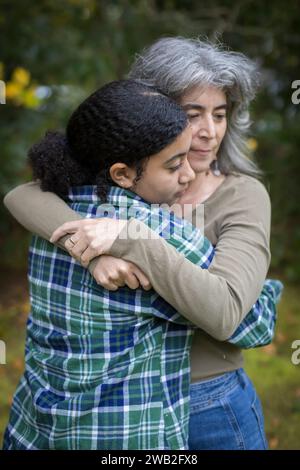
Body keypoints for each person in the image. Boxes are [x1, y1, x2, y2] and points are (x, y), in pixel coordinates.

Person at [4, 38, 283, 450]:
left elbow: (235, 313)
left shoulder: (242, 195)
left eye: (220, 114)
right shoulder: (116, 187)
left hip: (208, 403)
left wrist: (126, 241)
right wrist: (90, 250)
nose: (208, 131)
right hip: (125, 410)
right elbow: (20, 194)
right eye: (192, 114)